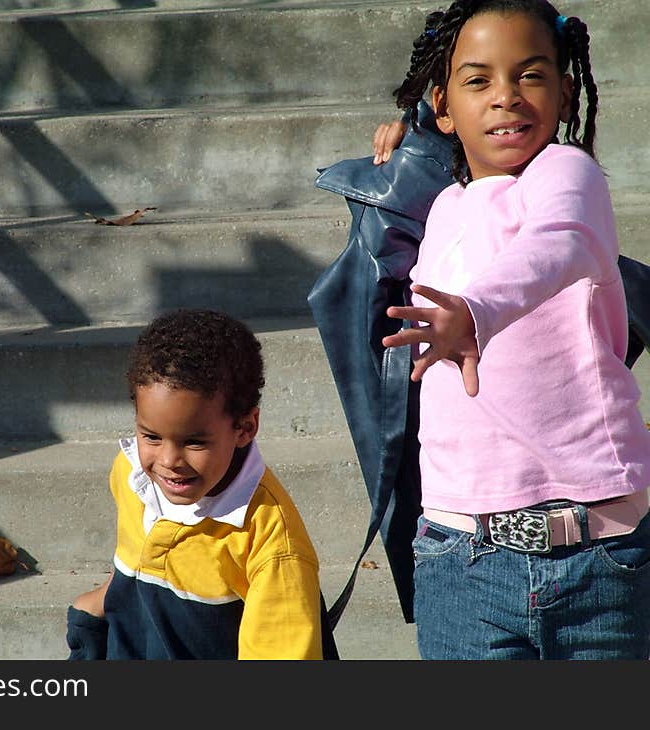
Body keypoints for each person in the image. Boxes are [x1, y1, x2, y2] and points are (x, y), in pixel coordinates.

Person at [369, 0, 650, 659]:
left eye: (530, 75)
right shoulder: (440, 205)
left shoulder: (566, 174)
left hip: (601, 557)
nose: (506, 98)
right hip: (459, 559)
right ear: (442, 105)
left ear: (565, 90)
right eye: (478, 81)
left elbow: (560, 245)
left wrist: (475, 312)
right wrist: (404, 141)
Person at [65, 308, 338, 659]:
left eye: (194, 442)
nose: (168, 461)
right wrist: (94, 607)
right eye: (151, 436)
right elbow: (138, 568)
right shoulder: (130, 474)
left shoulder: (271, 541)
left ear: (244, 428)